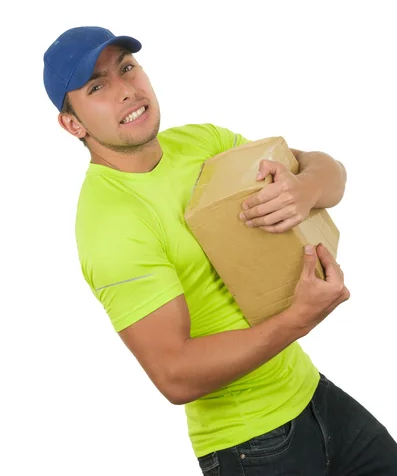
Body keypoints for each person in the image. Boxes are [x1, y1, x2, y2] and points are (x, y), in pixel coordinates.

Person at [43, 26, 397, 475]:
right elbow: (174, 375)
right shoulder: (110, 223)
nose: (127, 91)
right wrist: (298, 319)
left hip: (310, 391)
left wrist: (304, 190)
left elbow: (329, 169)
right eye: (98, 86)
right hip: (250, 445)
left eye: (127, 68)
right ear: (73, 123)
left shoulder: (200, 142)